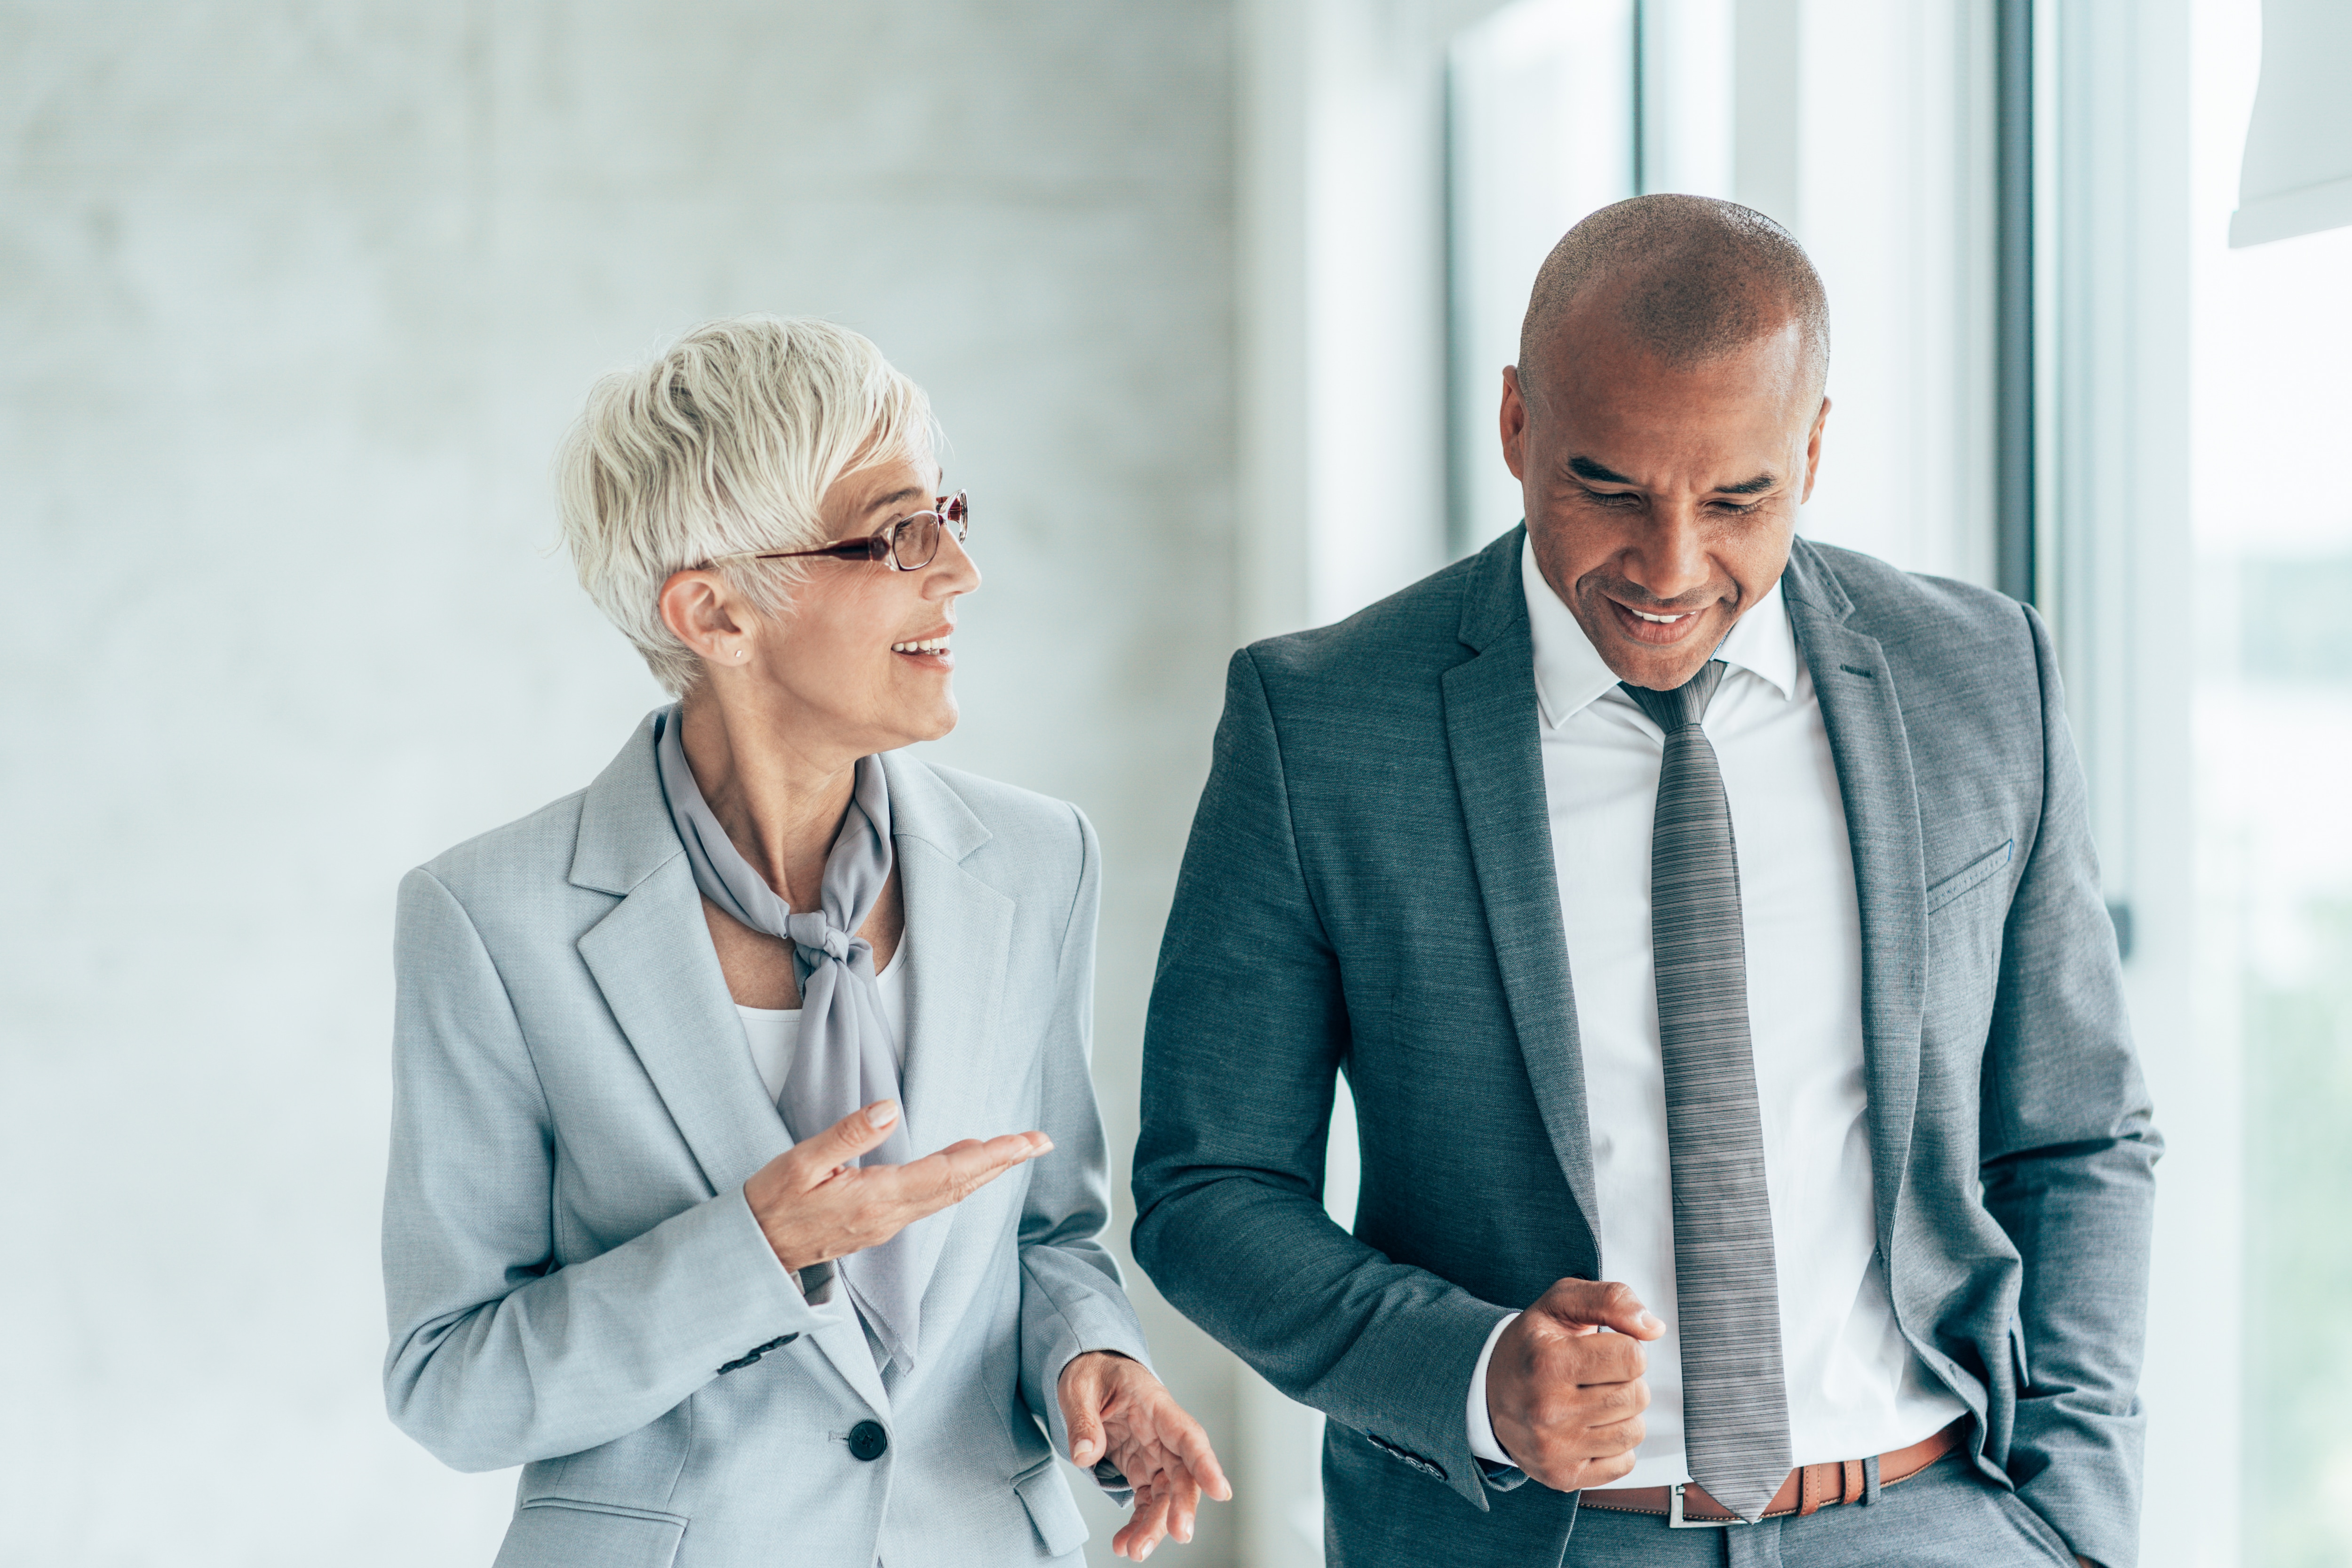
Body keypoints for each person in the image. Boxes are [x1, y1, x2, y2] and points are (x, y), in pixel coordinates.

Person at [1132, 196, 2155, 1568]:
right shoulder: (1320, 724)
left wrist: (2073, 1523)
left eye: (1740, 499)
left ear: (1814, 446)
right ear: (1515, 424)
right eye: (1608, 486)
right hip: (1523, 1540)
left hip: (1933, 1521)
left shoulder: (1982, 679)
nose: (1671, 570)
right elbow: (1210, 1185)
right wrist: (1476, 1374)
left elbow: (2075, 1140)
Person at [382, 316, 1227, 1567]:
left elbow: (1047, 1236)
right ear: (716, 613)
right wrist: (757, 1252)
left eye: (949, 512)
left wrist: (1094, 1358)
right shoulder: (491, 918)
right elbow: (453, 1385)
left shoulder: (1042, 863)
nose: (960, 573)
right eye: (896, 534)